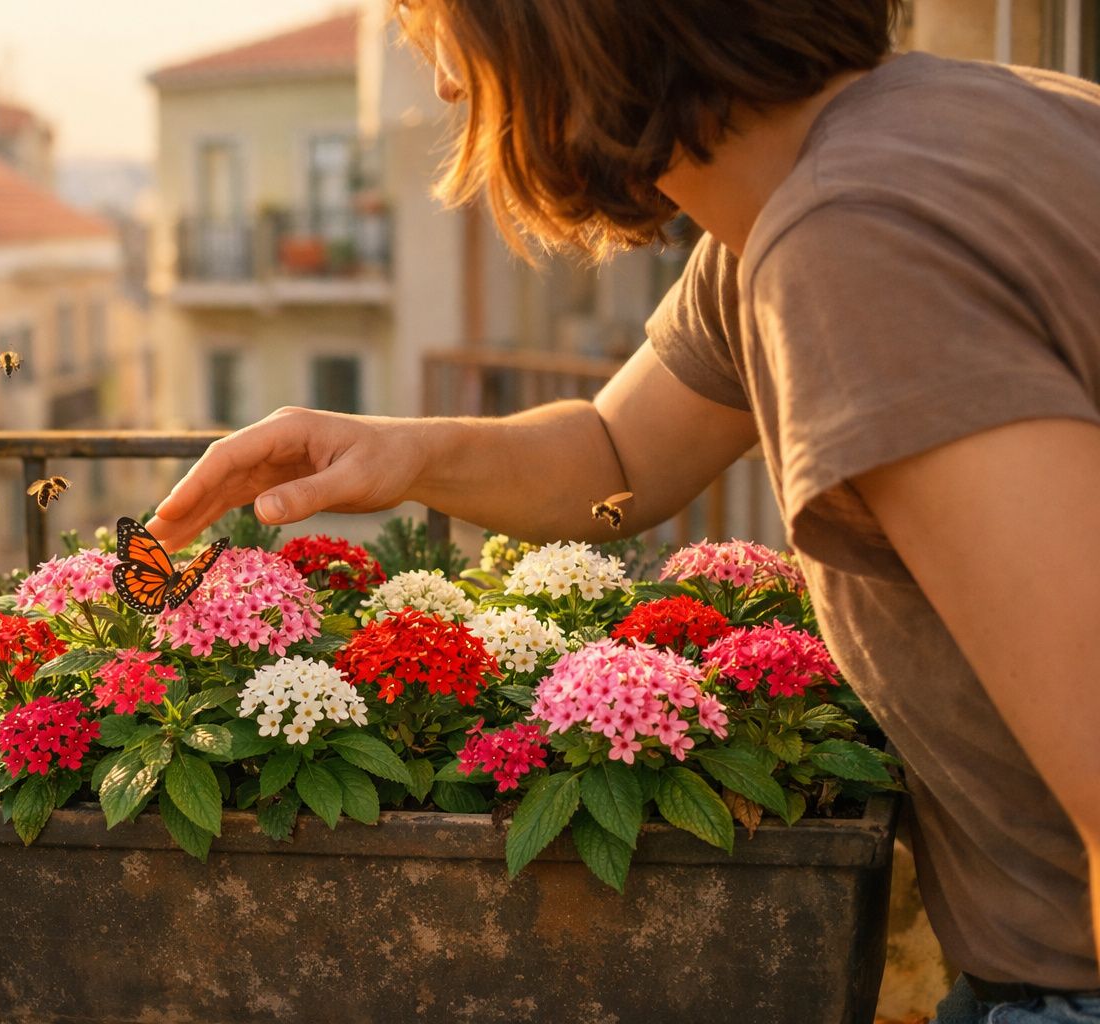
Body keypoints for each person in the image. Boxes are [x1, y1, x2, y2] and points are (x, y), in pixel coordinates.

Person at [146, 3, 1100, 1021]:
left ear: (567, 34)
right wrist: (405, 451)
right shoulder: (908, 147)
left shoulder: (855, 240)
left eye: (450, 40)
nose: (448, 90)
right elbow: (618, 455)